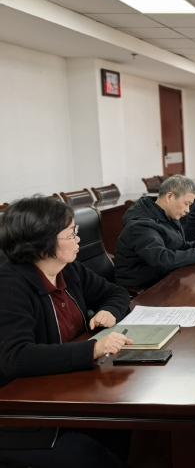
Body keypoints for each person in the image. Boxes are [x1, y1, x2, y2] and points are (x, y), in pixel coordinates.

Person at [0, 196, 133, 468]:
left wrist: (110, 310)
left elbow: (116, 292)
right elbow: (16, 356)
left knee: (124, 425)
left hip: (65, 390)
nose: (78, 239)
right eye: (71, 234)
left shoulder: (67, 269)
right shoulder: (10, 285)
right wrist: (92, 349)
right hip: (20, 411)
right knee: (90, 455)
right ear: (42, 244)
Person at [114, 175, 195, 289]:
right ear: (170, 197)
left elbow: (178, 246)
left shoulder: (166, 215)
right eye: (186, 203)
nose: (188, 210)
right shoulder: (140, 225)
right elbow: (162, 260)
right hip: (143, 288)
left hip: (163, 278)